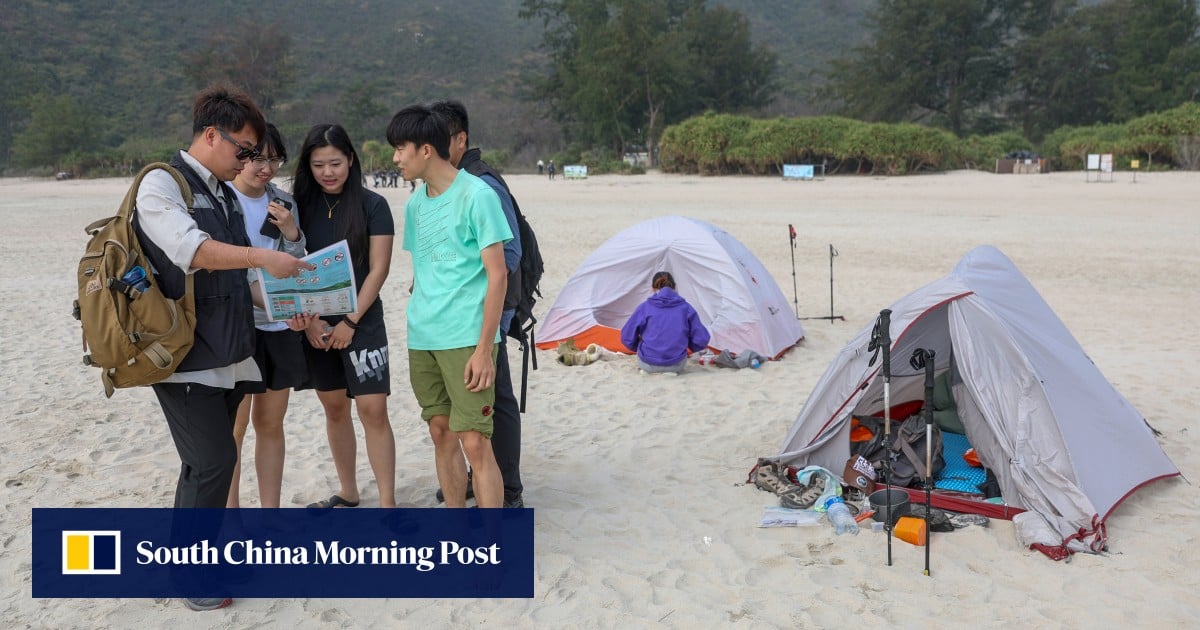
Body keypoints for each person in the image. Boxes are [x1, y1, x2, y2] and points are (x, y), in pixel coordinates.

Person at [134, 85, 315, 612]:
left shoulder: (221, 192)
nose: (250, 161)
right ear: (211, 135)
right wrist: (262, 258)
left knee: (207, 464)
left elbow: (242, 282)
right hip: (185, 353)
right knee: (213, 461)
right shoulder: (161, 185)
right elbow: (192, 250)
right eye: (245, 149)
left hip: (231, 351)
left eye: (257, 153)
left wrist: (286, 309)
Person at [387, 104, 510, 509]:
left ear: (425, 150)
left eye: (400, 149)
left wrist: (484, 349)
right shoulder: (415, 204)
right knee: (440, 431)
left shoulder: (478, 195)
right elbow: (425, 270)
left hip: (466, 337)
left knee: (475, 441)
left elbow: (498, 275)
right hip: (424, 337)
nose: (395, 159)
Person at [290, 123, 397, 509]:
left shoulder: (373, 205)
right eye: (318, 165)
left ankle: (387, 502)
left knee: (373, 409)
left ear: (351, 160)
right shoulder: (299, 208)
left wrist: (351, 321)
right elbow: (290, 264)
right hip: (316, 325)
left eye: (335, 163)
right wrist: (311, 322)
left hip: (362, 320)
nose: (327, 172)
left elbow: (379, 269)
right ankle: (348, 490)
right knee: (335, 408)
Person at [432, 100, 524, 508]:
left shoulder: (482, 184)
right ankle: (479, 478)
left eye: (437, 140)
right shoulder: (452, 183)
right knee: (471, 400)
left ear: (460, 140)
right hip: (460, 313)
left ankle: (509, 490)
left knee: (496, 398)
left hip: (487, 310)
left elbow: (510, 254)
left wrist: (473, 298)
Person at [226, 123, 308, 509]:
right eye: (258, 158)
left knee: (271, 424)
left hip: (280, 326)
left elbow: (296, 261)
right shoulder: (221, 200)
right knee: (234, 428)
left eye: (275, 160)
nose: (267, 168)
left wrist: (291, 232)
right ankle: (231, 515)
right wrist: (277, 306)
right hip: (239, 327)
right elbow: (228, 270)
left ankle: (270, 514)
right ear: (240, 156)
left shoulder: (282, 201)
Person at [620, 271, 711, 374]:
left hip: (647, 363)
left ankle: (648, 370)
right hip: (676, 365)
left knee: (644, 336)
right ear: (674, 287)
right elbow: (701, 339)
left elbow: (626, 336)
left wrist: (637, 346)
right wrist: (690, 346)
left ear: (653, 288)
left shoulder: (644, 307)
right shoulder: (686, 308)